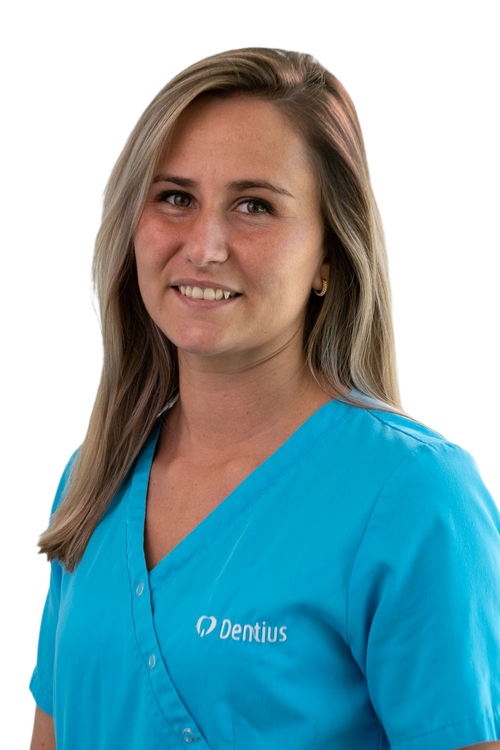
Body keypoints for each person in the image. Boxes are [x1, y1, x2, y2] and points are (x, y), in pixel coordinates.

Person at [27, 45, 499, 749]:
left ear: (328, 255)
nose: (205, 246)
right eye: (175, 197)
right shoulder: (98, 477)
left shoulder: (414, 496)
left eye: (254, 206)